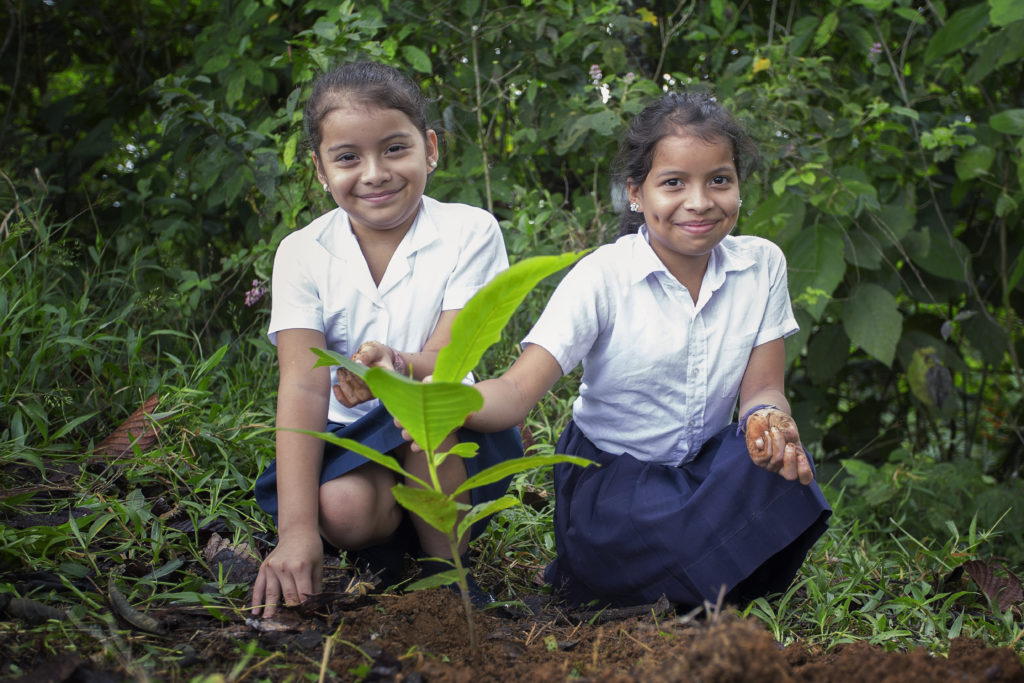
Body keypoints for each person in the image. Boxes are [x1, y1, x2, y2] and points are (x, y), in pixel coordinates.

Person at [452, 91, 832, 609]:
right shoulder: (603, 276)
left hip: (704, 470)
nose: (699, 201)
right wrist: (450, 401)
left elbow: (764, 387)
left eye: (719, 179)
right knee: (664, 527)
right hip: (614, 485)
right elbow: (517, 391)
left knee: (780, 470)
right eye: (673, 182)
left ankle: (672, 578)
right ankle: (642, 578)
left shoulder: (762, 265)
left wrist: (768, 421)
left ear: (739, 187)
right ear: (636, 192)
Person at [250, 61, 523, 618]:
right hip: (347, 434)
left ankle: (449, 575)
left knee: (425, 415)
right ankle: (390, 548)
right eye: (347, 157)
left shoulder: (470, 231)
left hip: (446, 429)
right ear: (320, 170)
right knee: (343, 511)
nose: (374, 173)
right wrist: (297, 532)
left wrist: (397, 367)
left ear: (430, 148)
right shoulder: (301, 252)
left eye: (394, 149)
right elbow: (303, 387)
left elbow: (454, 356)